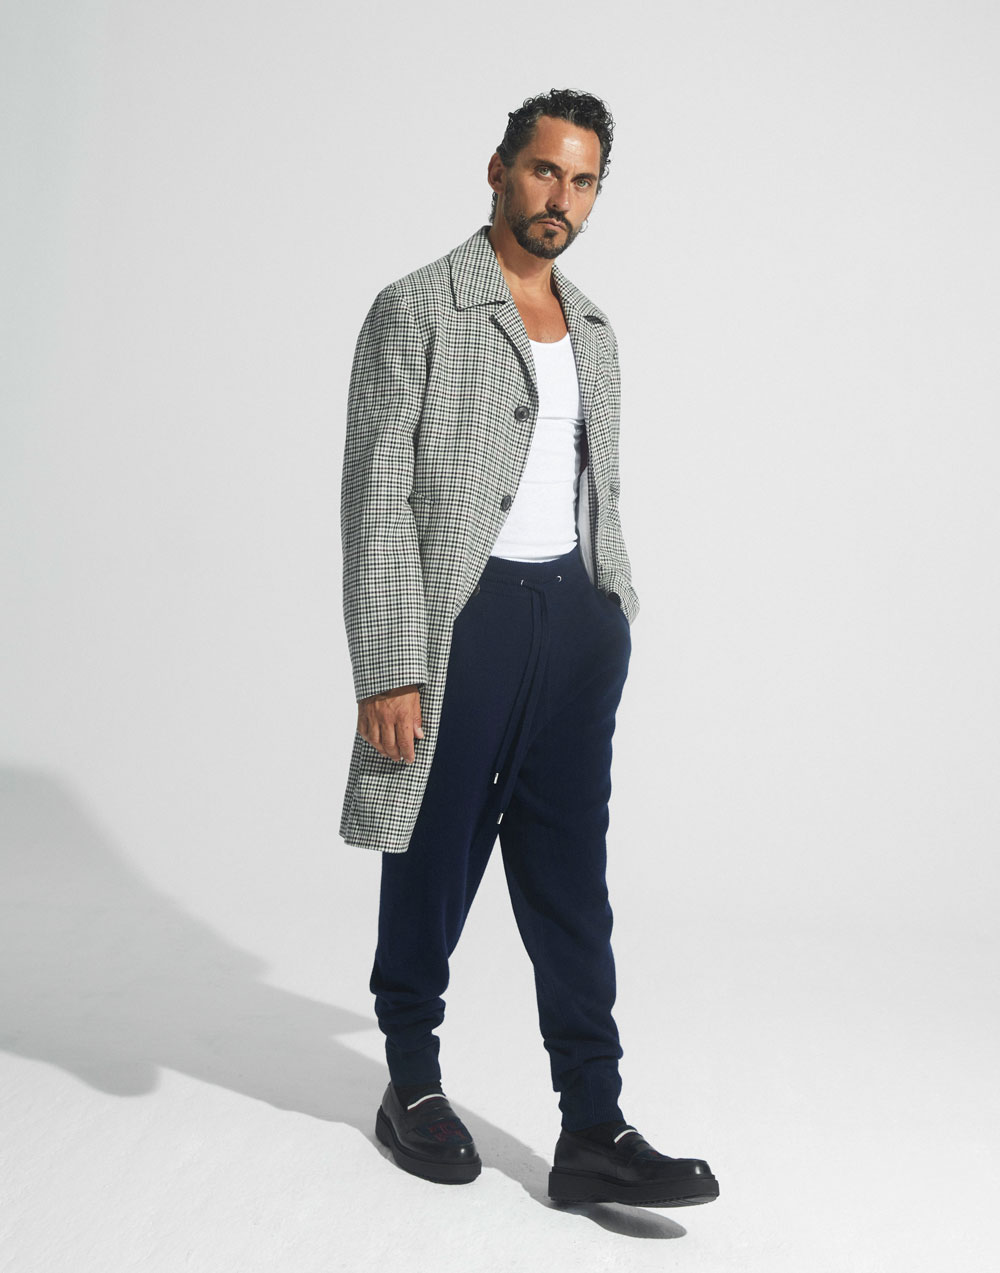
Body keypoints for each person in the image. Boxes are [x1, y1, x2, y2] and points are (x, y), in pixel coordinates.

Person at [340, 88, 719, 1208]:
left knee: (570, 880)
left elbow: (600, 485)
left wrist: (613, 607)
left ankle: (593, 1123)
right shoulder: (418, 308)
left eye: (584, 180)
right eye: (547, 170)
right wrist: (389, 665)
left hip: (575, 623)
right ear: (500, 170)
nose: (563, 197)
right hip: (465, 622)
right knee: (435, 851)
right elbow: (375, 498)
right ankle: (411, 1080)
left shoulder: (593, 328)